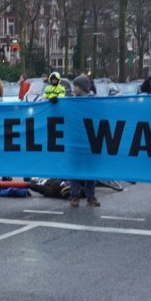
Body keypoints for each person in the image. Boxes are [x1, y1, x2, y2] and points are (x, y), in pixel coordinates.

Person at [67, 77, 100, 207]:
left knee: (90, 169)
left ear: (82, 87)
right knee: (75, 168)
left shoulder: (94, 101)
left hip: (89, 139)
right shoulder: (71, 101)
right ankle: (74, 195)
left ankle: (90, 196)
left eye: (75, 85)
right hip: (76, 138)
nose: (73, 88)